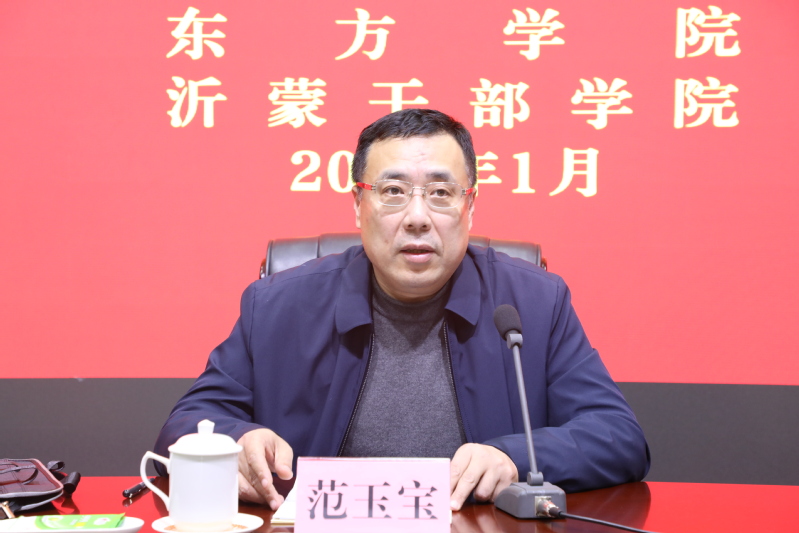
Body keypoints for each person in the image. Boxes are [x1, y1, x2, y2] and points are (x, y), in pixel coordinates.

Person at [154, 109, 650, 512]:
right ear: (358, 204)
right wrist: (239, 440)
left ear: (470, 206)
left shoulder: (533, 303)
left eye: (440, 193)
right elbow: (187, 423)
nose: (417, 217)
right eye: (392, 192)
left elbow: (619, 436)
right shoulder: (277, 305)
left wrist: (513, 457)